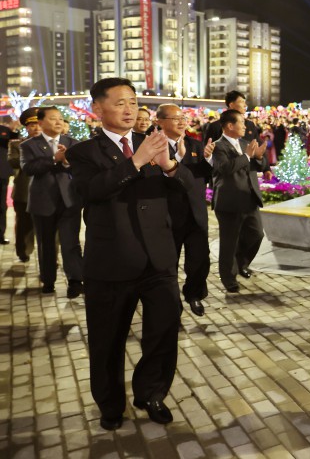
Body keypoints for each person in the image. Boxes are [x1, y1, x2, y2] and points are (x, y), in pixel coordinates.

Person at [67, 77, 195, 430]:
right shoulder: (83, 153)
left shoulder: (153, 143)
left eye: (133, 101)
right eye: (120, 102)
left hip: (158, 259)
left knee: (165, 329)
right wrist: (135, 162)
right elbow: (92, 191)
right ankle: (110, 404)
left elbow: (189, 193)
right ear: (98, 109)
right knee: (107, 341)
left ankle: (151, 393)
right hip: (111, 262)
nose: (129, 109)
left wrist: (170, 166)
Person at [156, 104, 215, 316]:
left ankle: (194, 294)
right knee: (168, 263)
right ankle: (172, 304)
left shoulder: (196, 145)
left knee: (200, 260)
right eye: (175, 118)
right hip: (168, 215)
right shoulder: (154, 146)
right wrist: (178, 160)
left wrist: (209, 159)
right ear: (160, 122)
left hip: (195, 212)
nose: (182, 122)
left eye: (183, 117)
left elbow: (202, 174)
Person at [20, 107, 84, 297]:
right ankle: (48, 280)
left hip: (69, 201)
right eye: (53, 119)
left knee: (70, 242)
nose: (58, 122)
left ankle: (75, 281)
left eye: (60, 119)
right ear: (40, 123)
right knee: (46, 244)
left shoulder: (72, 143)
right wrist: (54, 159)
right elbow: (28, 168)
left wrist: (67, 162)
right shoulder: (29, 145)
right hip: (42, 202)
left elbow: (81, 167)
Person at [211, 109, 268, 293]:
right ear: (230, 125)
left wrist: (259, 157)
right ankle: (229, 278)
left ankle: (242, 263)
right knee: (229, 242)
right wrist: (247, 157)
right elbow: (226, 168)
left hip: (249, 198)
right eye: (241, 123)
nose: (245, 126)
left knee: (257, 234)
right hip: (229, 201)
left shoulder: (245, 143)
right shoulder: (218, 146)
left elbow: (256, 165)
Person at [9, 109, 41, 262]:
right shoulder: (17, 144)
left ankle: (48, 255)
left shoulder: (53, 143)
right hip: (24, 191)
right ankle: (23, 250)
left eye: (38, 124)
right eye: (32, 125)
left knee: (47, 228)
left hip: (47, 192)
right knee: (24, 224)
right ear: (26, 127)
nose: (36, 128)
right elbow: (13, 162)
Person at [0, 117, 16, 245]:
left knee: (1, 206)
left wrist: (14, 129)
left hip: (1, 173)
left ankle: (0, 235)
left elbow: (12, 139)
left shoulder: (4, 130)